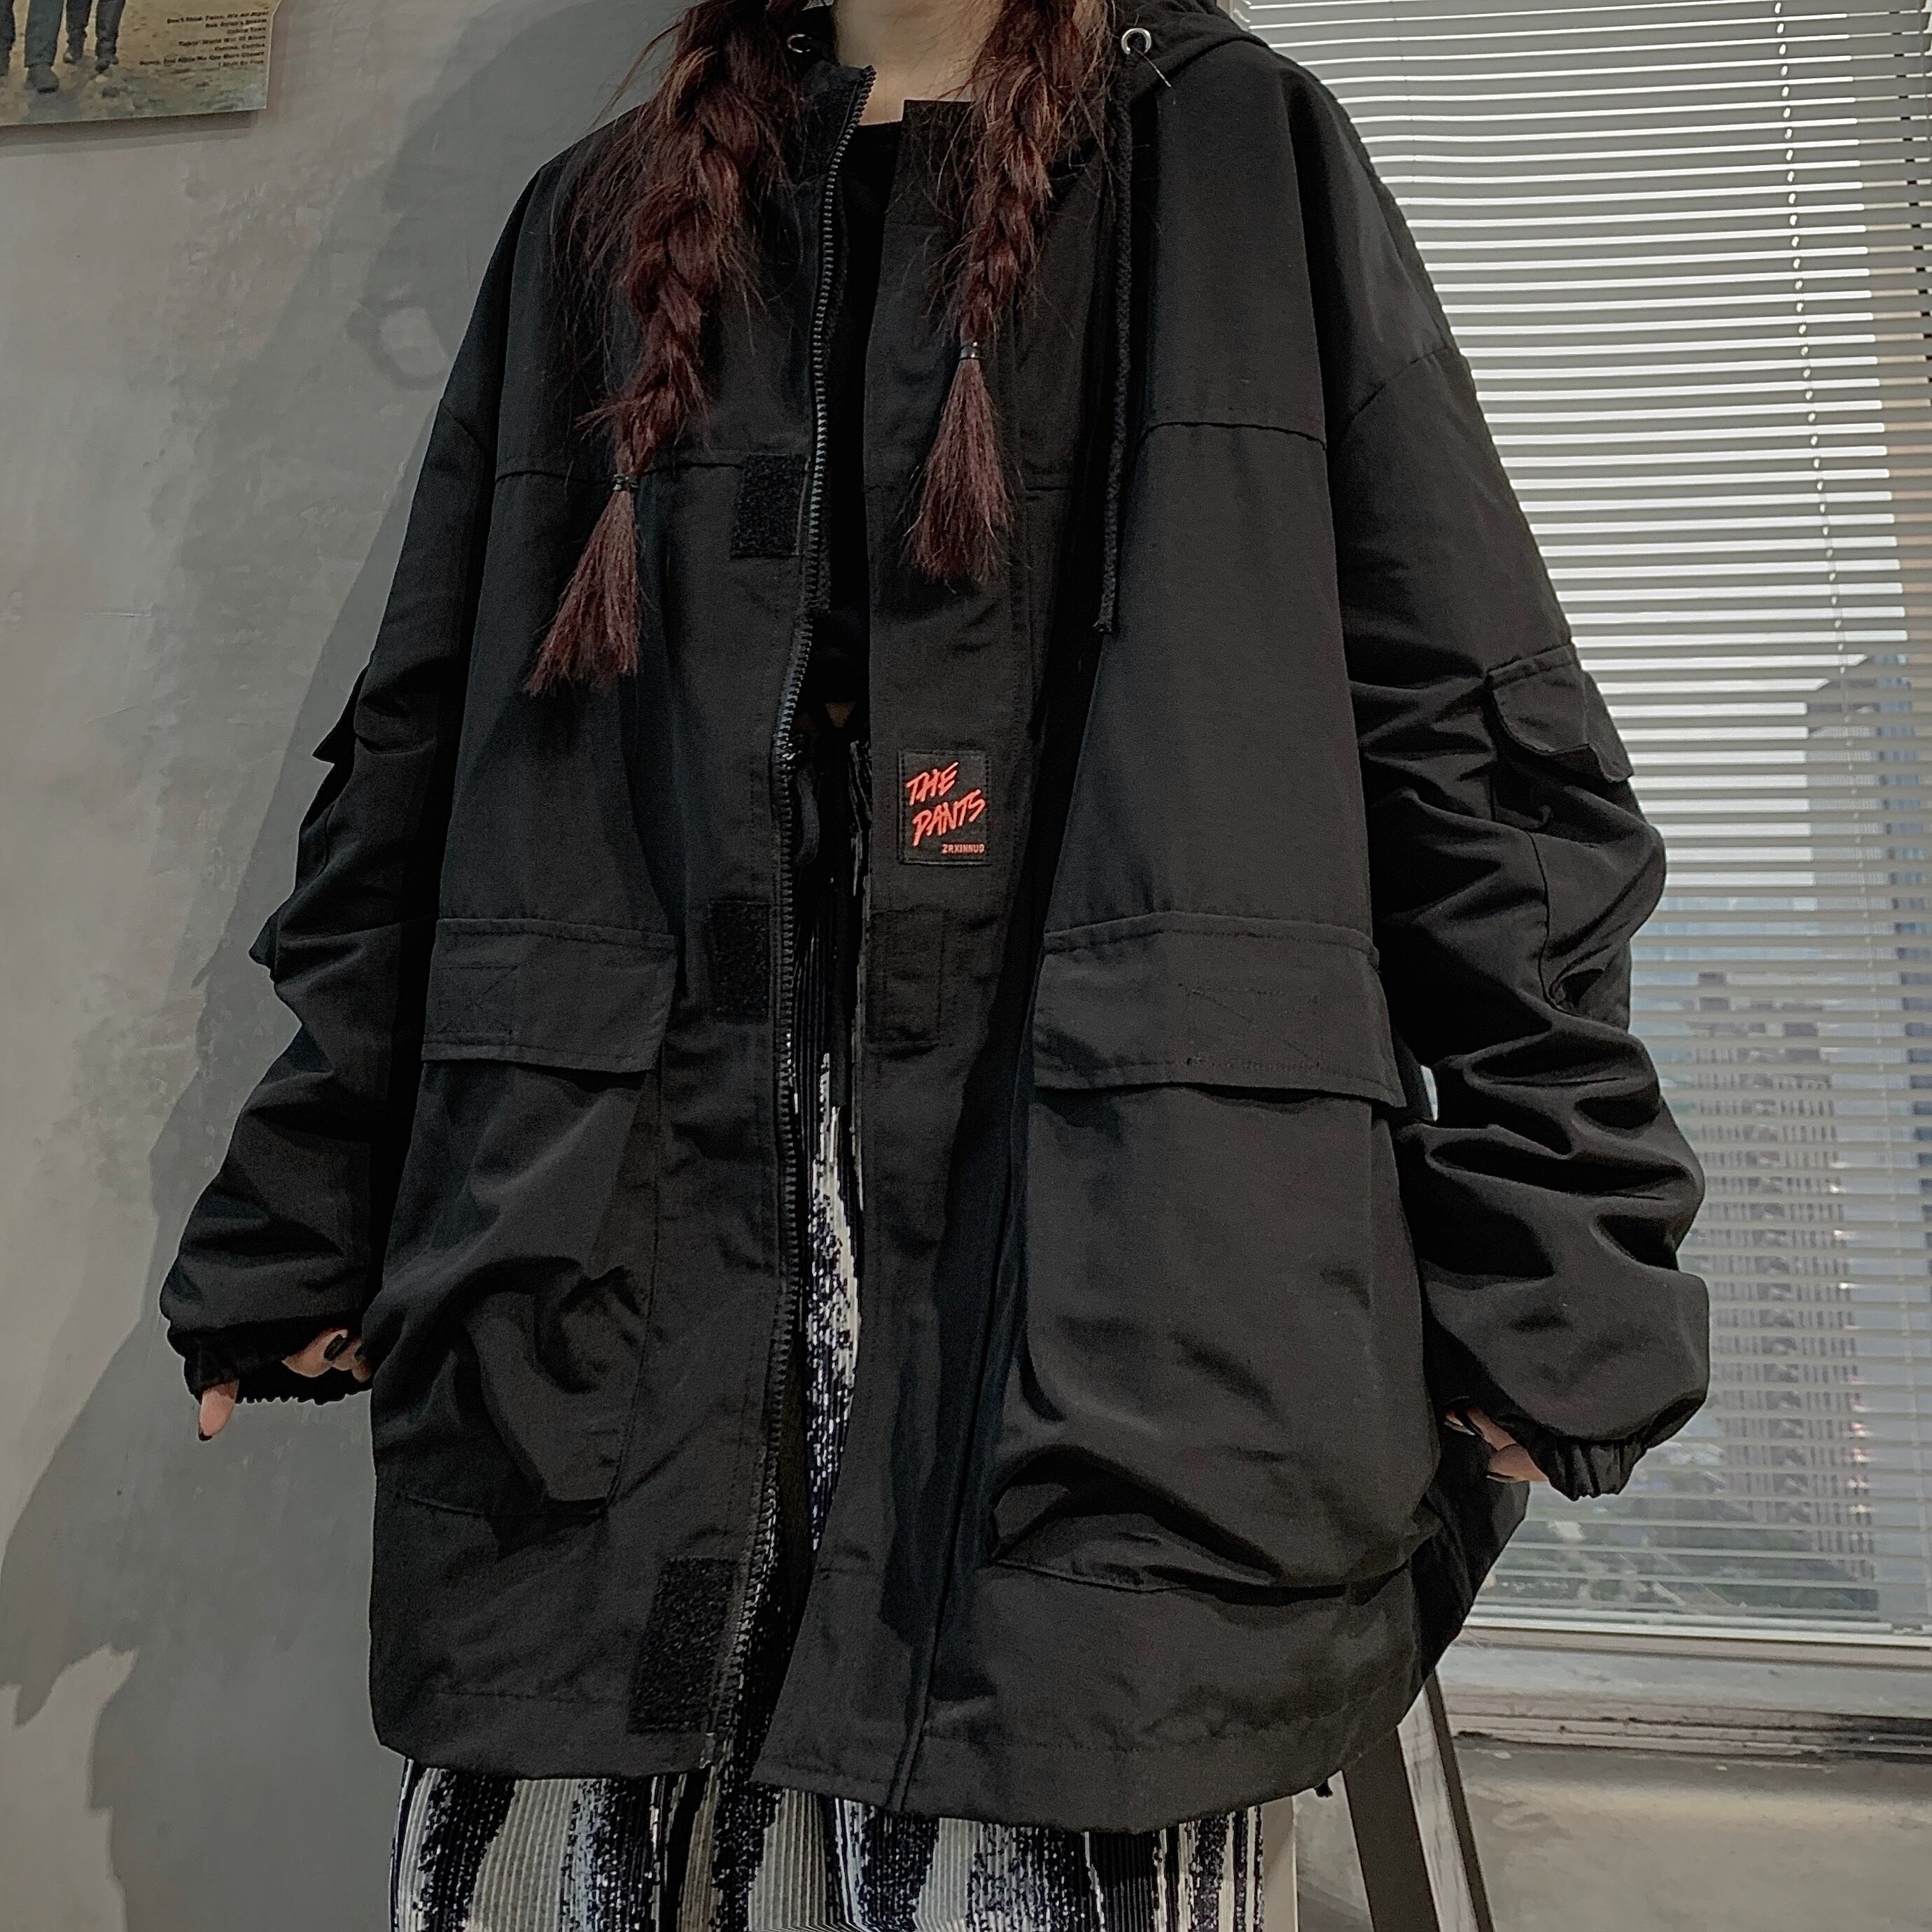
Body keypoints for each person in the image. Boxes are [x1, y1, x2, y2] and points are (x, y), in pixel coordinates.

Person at [160, 0, 1711, 1925]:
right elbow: (428, 756)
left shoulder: (1236, 157)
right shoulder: (600, 218)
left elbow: (1468, 739)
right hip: (624, 1274)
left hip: (1116, 1287)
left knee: (1043, 1812)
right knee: (578, 1836)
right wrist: (304, 1211)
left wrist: (1563, 1251)